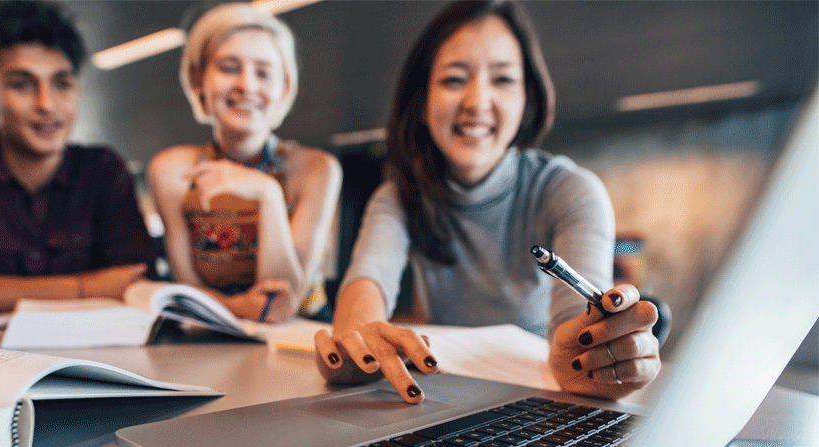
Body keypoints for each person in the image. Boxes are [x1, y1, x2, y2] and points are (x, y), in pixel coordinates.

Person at [314, 0, 660, 403]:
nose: (477, 102)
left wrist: (591, 359)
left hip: (539, 397)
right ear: (422, 103)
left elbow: (577, 321)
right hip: (446, 397)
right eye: (454, 79)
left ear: (526, 100)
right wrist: (358, 341)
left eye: (502, 79)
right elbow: (368, 279)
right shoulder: (398, 197)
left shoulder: (570, 191)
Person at [0, 0, 159, 313]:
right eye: (22, 84)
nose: (47, 104)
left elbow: (139, 288)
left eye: (62, 83)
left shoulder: (103, 170)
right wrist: (86, 288)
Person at [149, 2, 342, 323]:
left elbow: (285, 301)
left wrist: (266, 193)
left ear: (284, 88)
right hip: (212, 335)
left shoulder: (316, 169)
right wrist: (240, 309)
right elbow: (188, 290)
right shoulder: (171, 171)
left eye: (263, 72)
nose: (246, 85)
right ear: (198, 80)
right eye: (228, 67)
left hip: (306, 337)